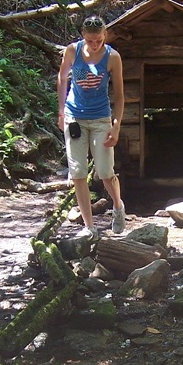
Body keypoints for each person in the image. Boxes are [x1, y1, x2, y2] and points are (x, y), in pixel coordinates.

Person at [57, 15, 126, 241]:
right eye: (90, 41)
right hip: (74, 117)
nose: (94, 45)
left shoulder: (112, 57)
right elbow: (62, 78)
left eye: (99, 40)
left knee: (105, 172)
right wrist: (61, 111)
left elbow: (119, 95)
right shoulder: (72, 51)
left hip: (100, 118)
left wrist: (116, 125)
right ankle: (89, 227)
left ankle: (118, 206)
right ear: (83, 37)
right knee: (78, 173)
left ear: (105, 35)